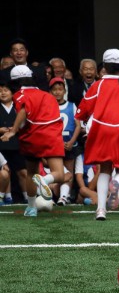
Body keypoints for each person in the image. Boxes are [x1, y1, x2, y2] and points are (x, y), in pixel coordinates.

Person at [75, 49, 119, 220]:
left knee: (105, 168)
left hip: (102, 130)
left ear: (104, 67)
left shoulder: (97, 85)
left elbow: (82, 111)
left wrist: (84, 119)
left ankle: (100, 210)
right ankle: (118, 183)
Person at [0, 66, 66, 217]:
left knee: (31, 172)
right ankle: (44, 179)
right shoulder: (47, 95)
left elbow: (24, 111)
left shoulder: (19, 94)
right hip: (51, 136)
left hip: (32, 137)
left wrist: (13, 131)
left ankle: (31, 208)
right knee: (59, 175)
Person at [51, 77, 81, 205]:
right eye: (54, 90)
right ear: (50, 91)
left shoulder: (72, 105)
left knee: (69, 170)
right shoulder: (48, 106)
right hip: (54, 145)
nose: (57, 92)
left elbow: (78, 125)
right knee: (59, 172)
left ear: (64, 91)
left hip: (70, 144)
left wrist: (72, 141)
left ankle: (64, 196)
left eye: (60, 89)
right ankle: (57, 194)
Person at [0, 79, 28, 204]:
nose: (3, 93)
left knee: (22, 171)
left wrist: (16, 129)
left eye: (5, 90)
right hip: (1, 145)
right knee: (5, 171)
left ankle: (28, 196)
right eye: (0, 91)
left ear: (12, 93)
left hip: (18, 144)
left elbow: (27, 124)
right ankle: (7, 196)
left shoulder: (19, 107)